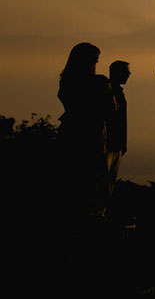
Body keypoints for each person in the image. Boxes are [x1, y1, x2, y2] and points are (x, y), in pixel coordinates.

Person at [57, 42, 116, 217]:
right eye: (95, 60)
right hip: (91, 135)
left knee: (73, 179)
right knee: (93, 180)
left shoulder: (66, 81)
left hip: (70, 132)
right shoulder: (99, 83)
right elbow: (111, 110)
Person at [105, 60, 130, 198]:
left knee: (110, 181)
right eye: (126, 72)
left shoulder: (119, 92)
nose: (129, 75)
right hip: (109, 144)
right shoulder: (108, 91)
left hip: (117, 145)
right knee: (104, 180)